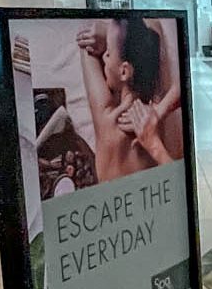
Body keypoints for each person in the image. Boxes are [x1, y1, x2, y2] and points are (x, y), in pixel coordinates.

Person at [75, 17, 175, 177]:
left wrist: (108, 32)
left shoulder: (107, 119)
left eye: (108, 53)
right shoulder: (157, 117)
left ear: (124, 71)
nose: (104, 56)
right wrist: (112, 36)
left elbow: (85, 40)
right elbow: (154, 27)